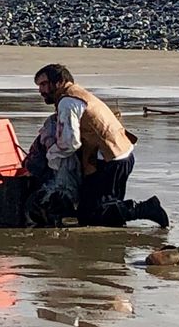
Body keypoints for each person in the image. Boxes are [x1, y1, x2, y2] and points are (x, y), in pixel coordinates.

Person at [34, 64, 169, 227]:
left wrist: (50, 155)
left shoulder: (67, 103)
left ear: (59, 82)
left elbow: (69, 143)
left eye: (43, 84)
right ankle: (121, 235)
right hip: (121, 154)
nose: (41, 91)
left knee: (91, 215)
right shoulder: (79, 94)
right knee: (105, 208)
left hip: (109, 160)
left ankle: (146, 208)